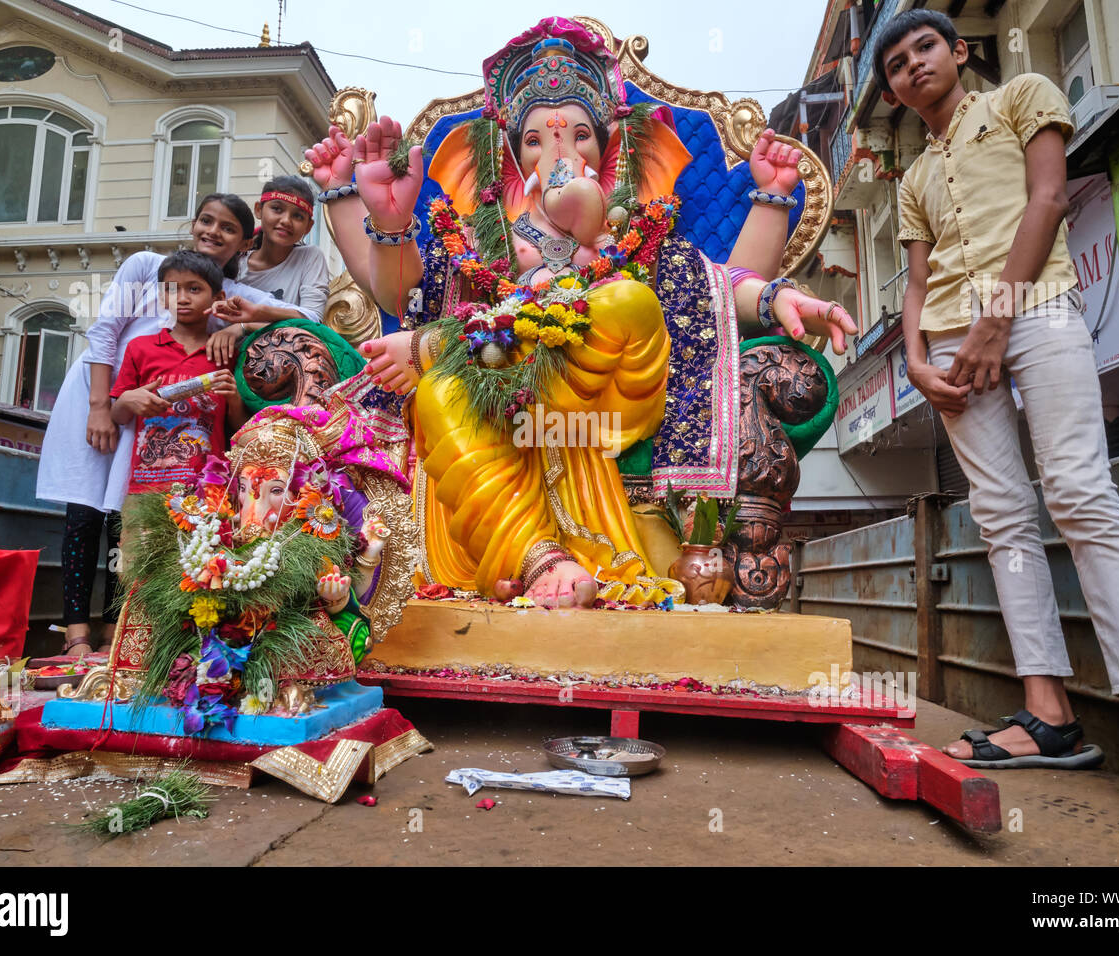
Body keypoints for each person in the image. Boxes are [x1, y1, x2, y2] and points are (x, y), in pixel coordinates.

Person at [304, 17, 856, 609]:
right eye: (536, 140)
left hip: (607, 400)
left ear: (607, 147)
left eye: (578, 135)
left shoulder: (642, 235)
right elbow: (402, 296)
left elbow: (715, 291)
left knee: (627, 299)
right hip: (505, 401)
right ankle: (539, 560)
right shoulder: (483, 239)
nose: (559, 151)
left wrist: (779, 296)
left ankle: (458, 355)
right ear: (513, 158)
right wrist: (389, 221)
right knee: (440, 396)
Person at [878, 8, 1119, 831]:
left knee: (1079, 492)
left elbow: (1050, 196)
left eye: (926, 47)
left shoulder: (1026, 95)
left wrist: (997, 319)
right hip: (951, 344)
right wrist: (918, 362)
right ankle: (1047, 714)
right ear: (892, 89)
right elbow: (916, 285)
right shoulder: (913, 179)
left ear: (959, 52)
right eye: (895, 64)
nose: (913, 65)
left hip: (1039, 309)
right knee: (1001, 517)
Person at [37, 193, 318, 657]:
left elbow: (309, 317)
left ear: (245, 240)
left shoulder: (233, 293)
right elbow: (106, 330)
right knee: (82, 514)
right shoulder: (147, 266)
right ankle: (75, 638)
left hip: (160, 418)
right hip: (104, 390)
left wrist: (242, 326)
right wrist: (100, 407)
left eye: (227, 228)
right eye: (206, 221)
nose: (213, 232)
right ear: (192, 224)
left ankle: (119, 636)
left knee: (123, 521)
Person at [110, 251, 245, 498]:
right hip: (146, 490)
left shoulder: (228, 356)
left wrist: (234, 399)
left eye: (194, 289)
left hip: (207, 490)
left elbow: (239, 429)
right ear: (162, 297)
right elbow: (118, 416)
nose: (182, 298)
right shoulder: (141, 348)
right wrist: (128, 400)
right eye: (172, 290)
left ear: (218, 298)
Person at [208, 175, 332, 365]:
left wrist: (245, 325)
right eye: (276, 209)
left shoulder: (310, 257)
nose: (286, 221)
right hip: (221, 359)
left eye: (297, 216)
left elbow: (312, 322)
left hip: (283, 362)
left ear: (308, 227)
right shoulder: (236, 260)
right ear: (259, 210)